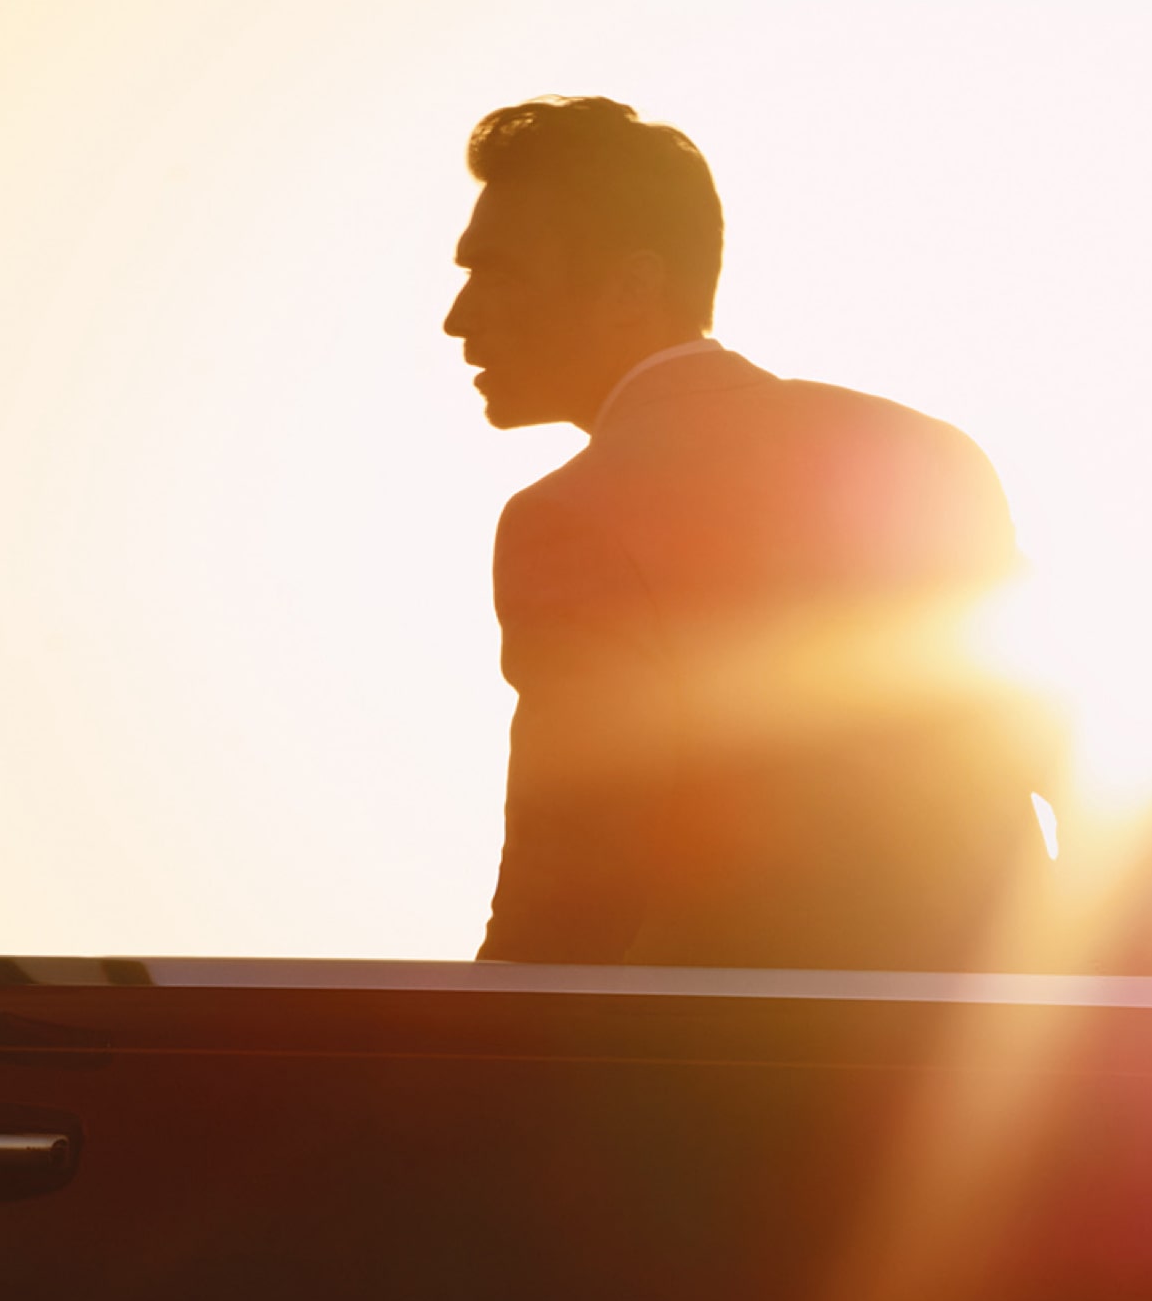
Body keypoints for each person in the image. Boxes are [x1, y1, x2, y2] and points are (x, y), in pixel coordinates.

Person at [443, 95, 1048, 969]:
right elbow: (1069, 770)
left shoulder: (568, 519)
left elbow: (565, 897)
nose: (459, 317)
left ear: (632, 287)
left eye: (495, 272)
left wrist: (443, 1082)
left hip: (734, 1080)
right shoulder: (925, 451)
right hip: (994, 1077)